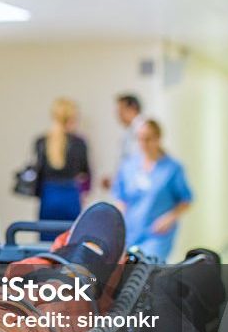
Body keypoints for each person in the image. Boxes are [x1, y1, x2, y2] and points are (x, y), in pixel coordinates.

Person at [112, 119, 193, 262]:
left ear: (158, 139)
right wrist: (119, 222)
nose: (143, 144)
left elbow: (186, 200)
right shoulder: (129, 166)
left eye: (148, 139)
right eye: (140, 139)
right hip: (130, 231)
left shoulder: (172, 168)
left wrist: (169, 218)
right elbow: (120, 196)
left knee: (148, 268)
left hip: (156, 235)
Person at [32, 98, 91, 241]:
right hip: (70, 196)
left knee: (47, 242)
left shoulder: (41, 142)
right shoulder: (79, 143)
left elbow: (38, 173)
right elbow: (85, 172)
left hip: (49, 196)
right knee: (70, 241)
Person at [103, 94, 145, 190]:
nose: (118, 115)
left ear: (133, 109)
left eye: (121, 110)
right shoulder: (128, 131)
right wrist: (115, 180)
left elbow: (138, 162)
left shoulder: (143, 130)